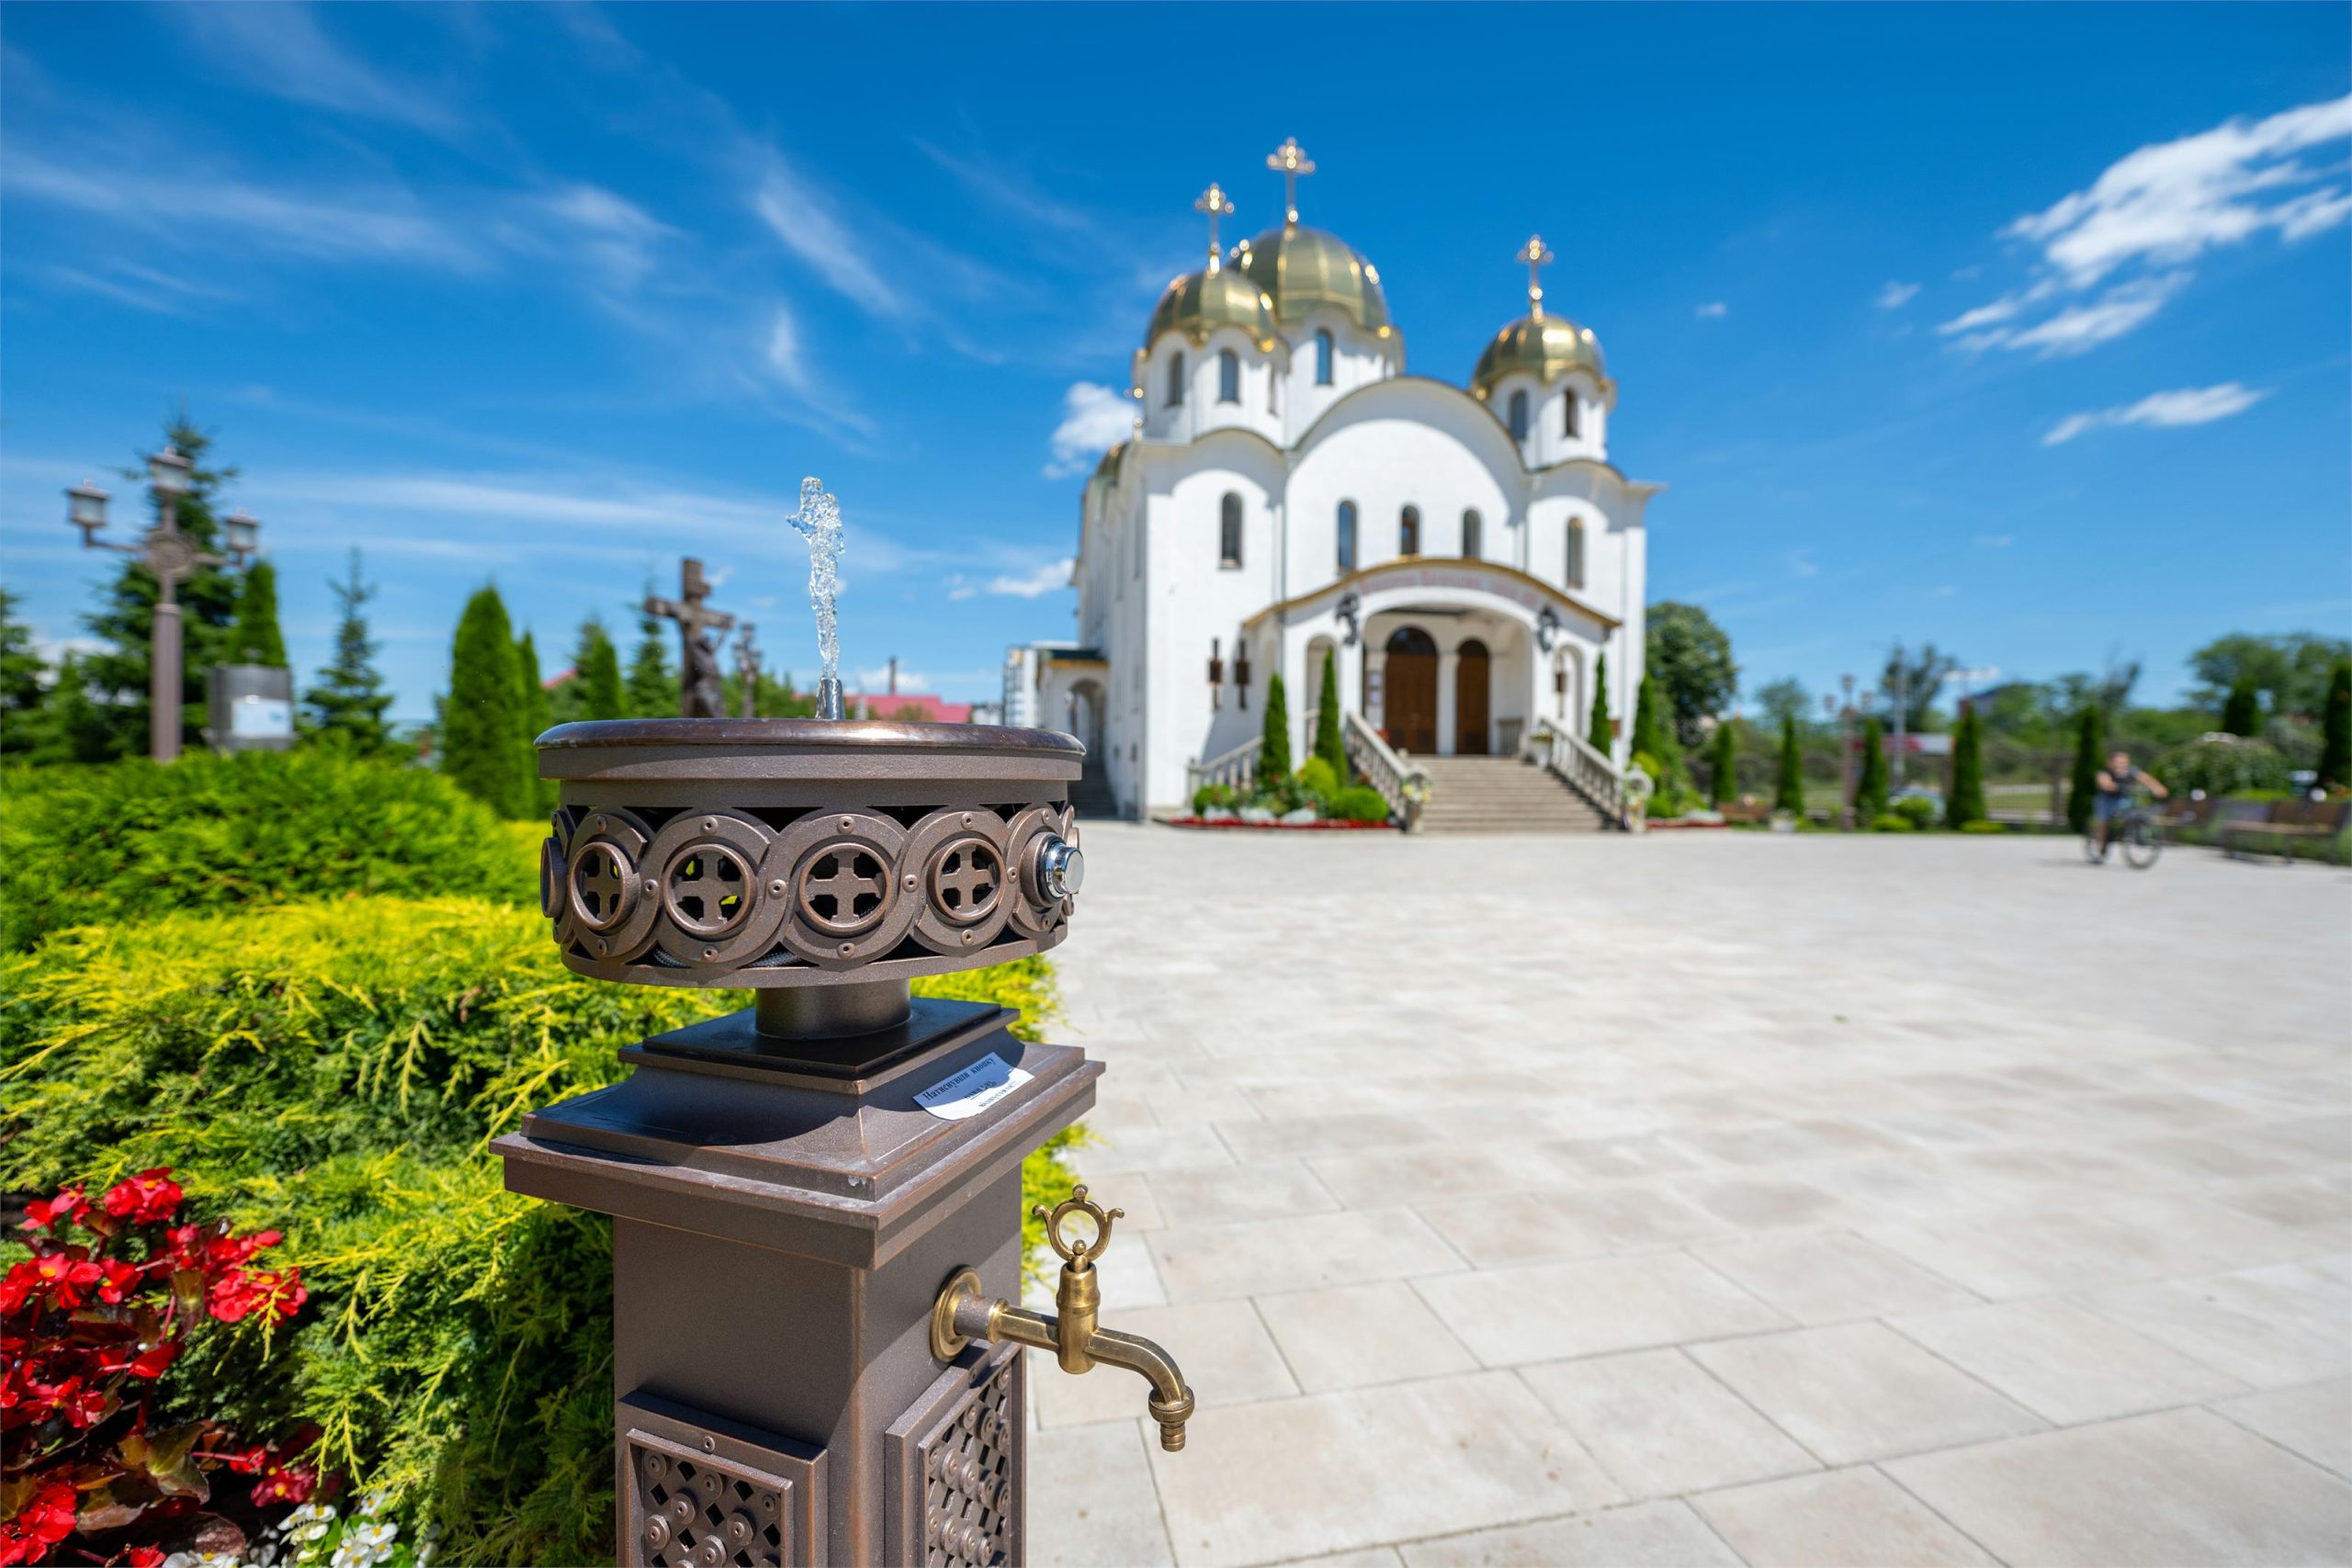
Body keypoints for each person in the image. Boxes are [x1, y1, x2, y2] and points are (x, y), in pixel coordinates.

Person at [2092, 748, 2167, 861]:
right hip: (2107, 799)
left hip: (2124, 799)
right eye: (2118, 762)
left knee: (2136, 809)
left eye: (2123, 762)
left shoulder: (2131, 771)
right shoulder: (2105, 773)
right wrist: (2111, 786)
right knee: (2104, 822)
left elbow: (2146, 779)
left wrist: (2157, 788)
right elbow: (2104, 783)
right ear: (2110, 763)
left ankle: (2133, 831)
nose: (2121, 765)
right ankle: (2101, 845)